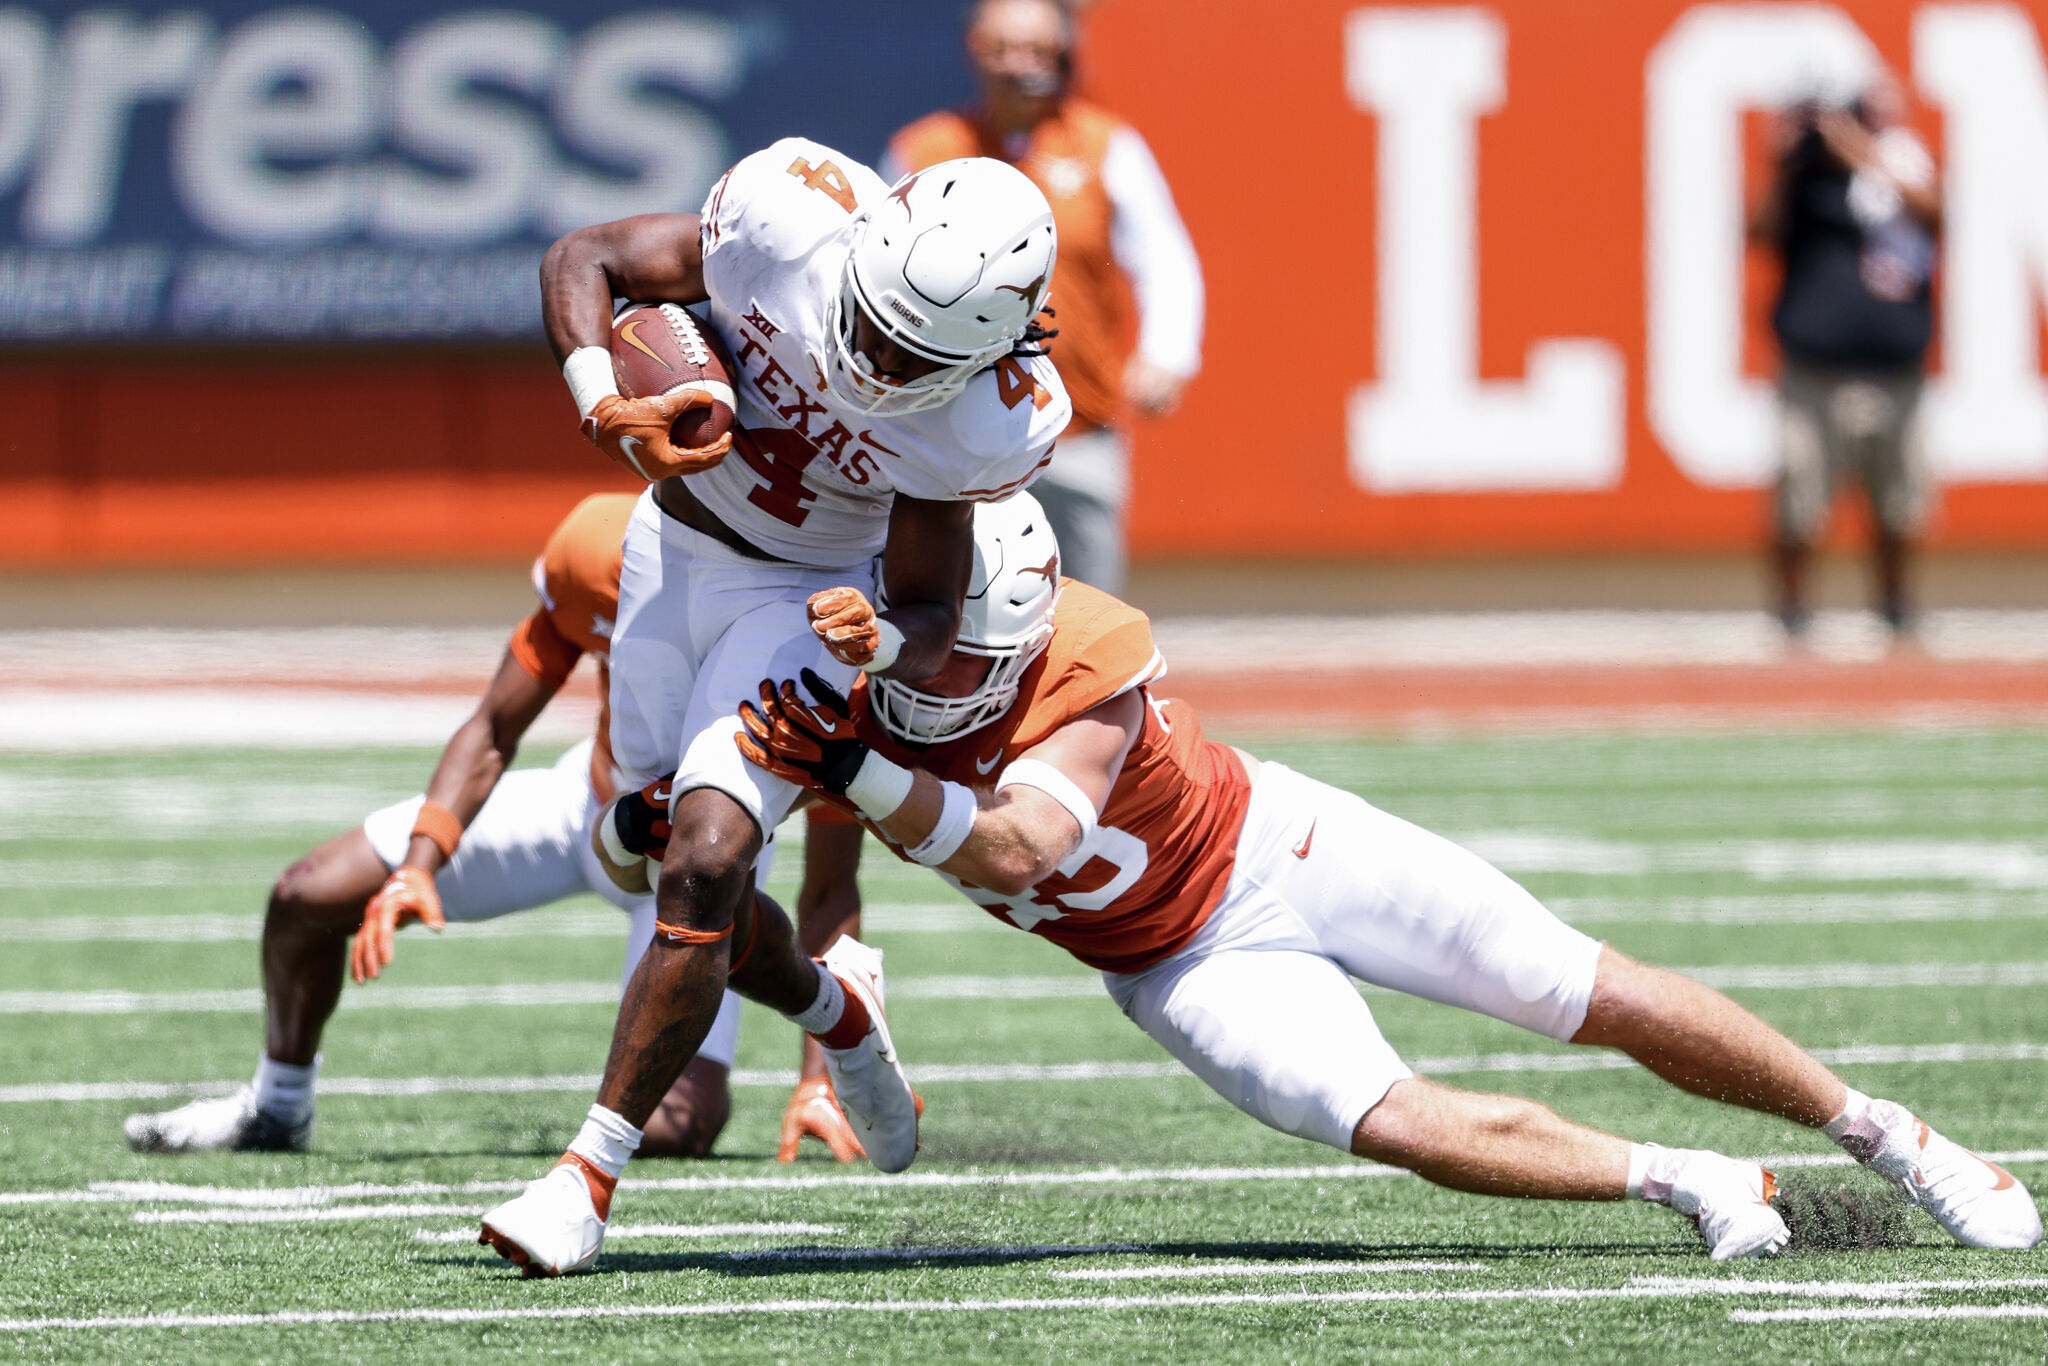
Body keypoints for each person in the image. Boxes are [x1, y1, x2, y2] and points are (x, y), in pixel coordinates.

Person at [728, 493, 2040, 1260]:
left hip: (1275, 843)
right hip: (1173, 963)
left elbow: (1019, 844)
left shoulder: (1078, 652)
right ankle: (1693, 1177)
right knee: (1392, 1119)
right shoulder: (858, 693)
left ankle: (1894, 1136)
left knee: (1574, 983)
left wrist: (846, 752)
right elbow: (823, 879)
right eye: (959, 658)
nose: (973, 683)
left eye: (993, 660)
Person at [474, 135, 1072, 1276]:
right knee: (641, 856)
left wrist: (882, 637)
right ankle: (834, 1010)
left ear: (997, 344)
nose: (879, 366)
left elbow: (933, 603)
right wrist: (602, 399)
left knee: (703, 857)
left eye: (914, 357)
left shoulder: (991, 417)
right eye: (873, 325)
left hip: (802, 598)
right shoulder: (784, 220)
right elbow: (586, 256)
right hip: (670, 550)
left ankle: (580, 1180)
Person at [119, 493, 790, 1159]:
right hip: (593, 805)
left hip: (699, 865)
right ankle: (276, 1106)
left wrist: (829, 1074)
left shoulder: (793, 583)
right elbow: (495, 727)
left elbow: (842, 832)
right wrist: (420, 862)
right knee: (309, 893)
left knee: (675, 1127)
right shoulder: (600, 551)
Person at [885, 0, 1202, 596]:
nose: (1019, 66)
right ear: (975, 52)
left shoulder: (1105, 146)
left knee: (1089, 610)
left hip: (1079, 428)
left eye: (1035, 49)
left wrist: (1168, 352)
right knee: (954, 606)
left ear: (1063, 54)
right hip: (952, 435)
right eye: (1003, 49)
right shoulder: (926, 149)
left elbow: (1164, 255)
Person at [1750, 74, 1942, 640]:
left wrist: (1860, 156)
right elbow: (1760, 234)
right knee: (1797, 502)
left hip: (1894, 368)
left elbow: (1934, 214)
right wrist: (1788, 167)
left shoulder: (1899, 166)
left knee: (1899, 509)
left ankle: (1896, 610)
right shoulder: (1805, 186)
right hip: (1813, 371)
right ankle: (1792, 613)